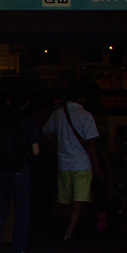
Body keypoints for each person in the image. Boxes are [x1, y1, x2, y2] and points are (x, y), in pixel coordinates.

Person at [42, 83, 100, 243]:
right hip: (82, 163)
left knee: (65, 201)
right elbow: (92, 143)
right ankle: (69, 233)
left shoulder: (58, 113)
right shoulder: (86, 116)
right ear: (82, 97)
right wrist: (97, 166)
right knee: (79, 201)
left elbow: (46, 132)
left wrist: (59, 143)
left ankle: (64, 229)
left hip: (64, 163)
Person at [0, 91, 40, 253]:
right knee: (22, 211)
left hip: (0, 170)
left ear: (8, 101)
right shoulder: (29, 123)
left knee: (1, 207)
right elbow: (36, 150)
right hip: (20, 170)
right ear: (27, 103)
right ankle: (16, 251)